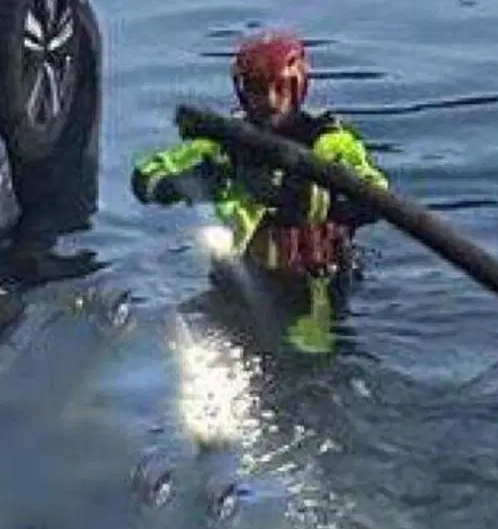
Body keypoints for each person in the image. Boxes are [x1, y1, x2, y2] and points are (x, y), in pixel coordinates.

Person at [129, 29, 391, 354]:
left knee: (305, 361)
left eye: (281, 88)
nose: (270, 100)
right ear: (242, 91)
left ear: (299, 88)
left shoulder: (330, 144)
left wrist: (311, 200)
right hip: (237, 281)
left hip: (311, 290)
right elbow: (146, 176)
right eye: (256, 88)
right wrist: (191, 182)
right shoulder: (224, 143)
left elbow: (376, 197)